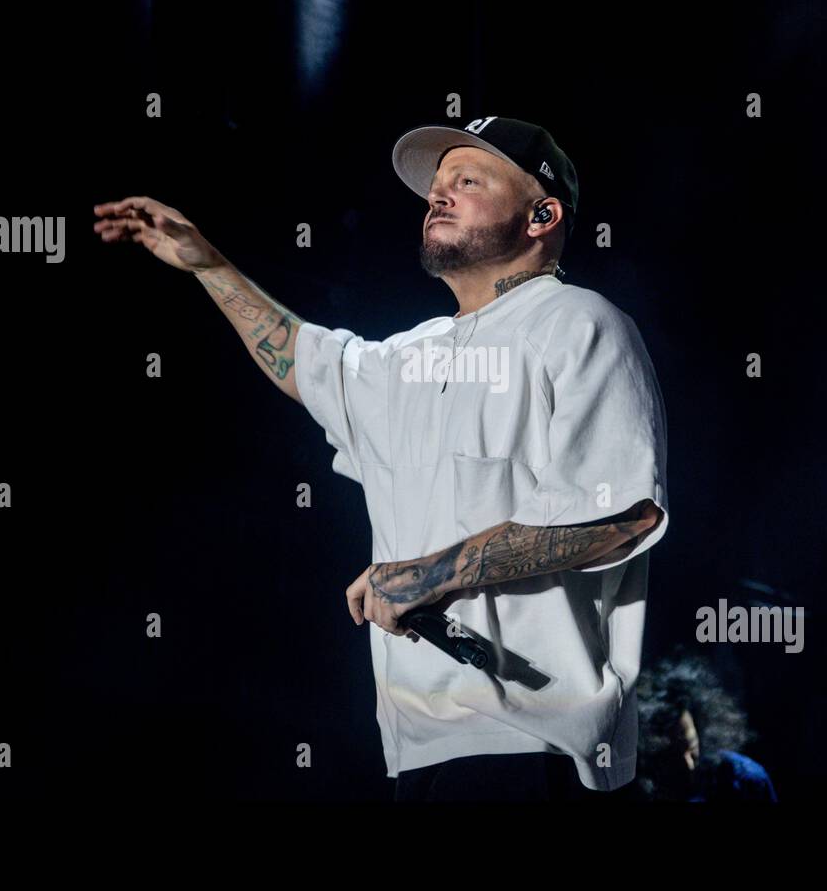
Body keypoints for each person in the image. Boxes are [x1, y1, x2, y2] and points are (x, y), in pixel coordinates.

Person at [93, 116, 671, 801]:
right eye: (435, 187)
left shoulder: (581, 323)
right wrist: (208, 264)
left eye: (468, 181)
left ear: (542, 214)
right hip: (418, 749)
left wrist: (429, 576)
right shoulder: (407, 356)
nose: (439, 196)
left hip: (537, 746)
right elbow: (304, 360)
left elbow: (621, 516)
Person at [635, 652, 778, 801]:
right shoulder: (643, 789)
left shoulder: (746, 780)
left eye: (692, 750)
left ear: (699, 728)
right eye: (673, 758)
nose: (689, 765)